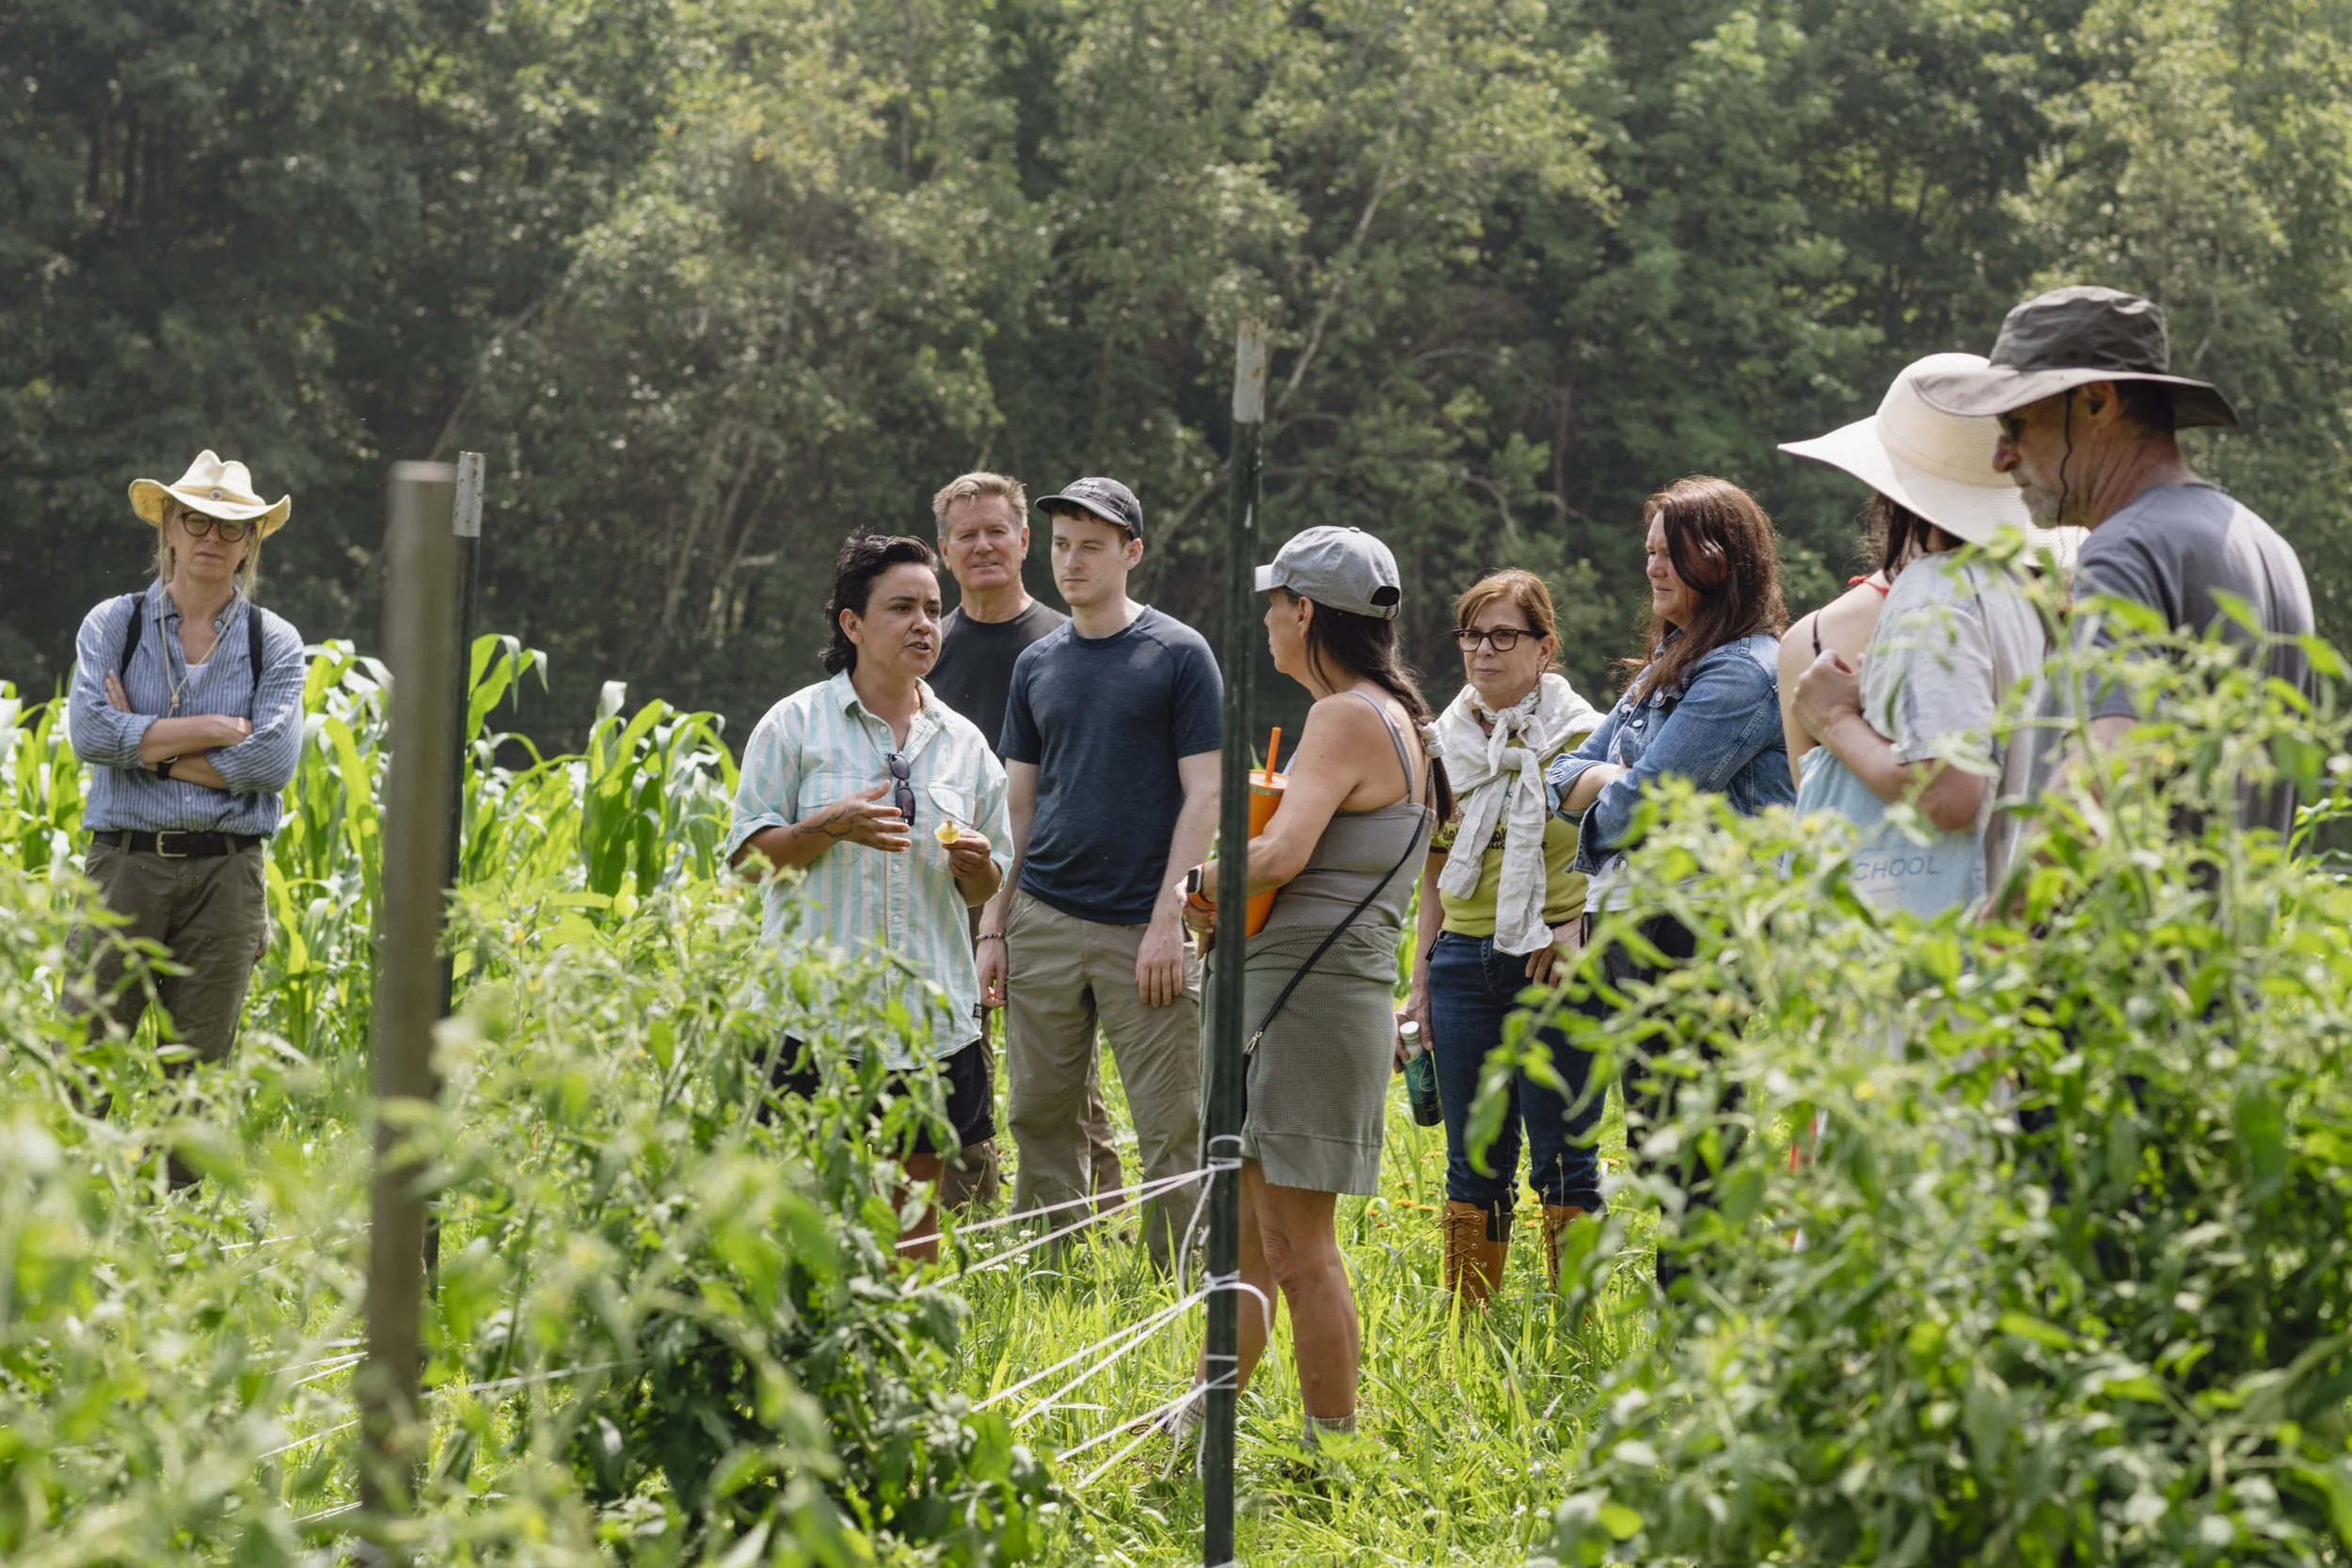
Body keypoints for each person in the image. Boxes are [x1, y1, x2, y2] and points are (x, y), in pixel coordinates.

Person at [1170, 525, 1438, 1449]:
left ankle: (1336, 1452)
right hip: (1297, 997)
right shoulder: (1394, 715)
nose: (1266, 622)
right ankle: (1209, 1430)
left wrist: (1195, 884)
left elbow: (1281, 853)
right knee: (1247, 1240)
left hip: (1310, 1005)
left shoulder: (1346, 715)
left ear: (1305, 610)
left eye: (1272, 604)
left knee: (1295, 1249)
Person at [1914, 285, 2314, 833]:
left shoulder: (2127, 547)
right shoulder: (2264, 542)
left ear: (2097, 403)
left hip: (2133, 917)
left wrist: (2007, 913)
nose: (2001, 456)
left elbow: (2105, 760)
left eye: (2016, 424)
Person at [723, 533, 1010, 1263]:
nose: (924, 624)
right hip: (808, 1020)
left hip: (929, 1023)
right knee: (794, 1224)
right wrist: (830, 824)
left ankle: (901, 1363)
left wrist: (973, 865)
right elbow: (748, 864)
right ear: (851, 624)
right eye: (902, 607)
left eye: (933, 609)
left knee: (912, 1229)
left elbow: (986, 882)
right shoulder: (793, 726)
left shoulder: (966, 744)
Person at [1546, 476, 1792, 1290]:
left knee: (1694, 1138)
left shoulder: (1741, 674)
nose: (1652, 568)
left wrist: (1609, 781)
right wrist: (1611, 779)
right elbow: (1562, 773)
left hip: (1696, 929)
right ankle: (1696, 1322)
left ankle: (1708, 1327)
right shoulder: (1667, 661)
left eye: (1670, 552)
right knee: (1660, 1131)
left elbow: (1644, 804)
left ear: (1721, 559)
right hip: (1639, 924)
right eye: (1649, 551)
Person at [979, 477, 1221, 1272]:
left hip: (1140, 928)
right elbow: (1020, 812)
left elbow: (1206, 794)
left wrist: (1166, 919)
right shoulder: (1036, 664)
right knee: (1039, 1114)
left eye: (1091, 545)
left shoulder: (1179, 654)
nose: (1072, 561)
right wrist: (997, 925)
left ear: (1132, 552)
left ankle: (1175, 1288)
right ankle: (1050, 1274)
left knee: (1169, 1124)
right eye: (1060, 545)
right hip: (1044, 918)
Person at [65, 451, 308, 1175]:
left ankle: (173, 1251)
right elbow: (90, 734)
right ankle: (54, 1240)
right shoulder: (115, 622)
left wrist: (147, 742)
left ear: (250, 541)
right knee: (84, 1057)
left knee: (197, 1079)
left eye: (231, 524)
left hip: (226, 879)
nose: (211, 535)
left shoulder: (275, 642)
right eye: (195, 518)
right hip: (124, 864)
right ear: (168, 527)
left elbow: (269, 765)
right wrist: (214, 731)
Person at [1781, 353, 2079, 915]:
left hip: (1950, 948)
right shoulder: (2046, 598)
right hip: (2040, 925)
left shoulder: (1936, 590)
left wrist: (1835, 720)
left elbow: (1949, 793)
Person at [1402, 569, 1604, 1305]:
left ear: (1545, 647)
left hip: (1555, 963)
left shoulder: (1587, 736)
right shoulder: (1440, 742)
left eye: (1503, 635)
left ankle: (1576, 1324)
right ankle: (1470, 1326)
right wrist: (1421, 978)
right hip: (1461, 964)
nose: (1483, 650)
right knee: (1473, 1160)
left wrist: (1579, 921)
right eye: (1471, 634)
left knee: (1564, 1158)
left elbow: (1622, 854)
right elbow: (1432, 873)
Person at [924, 470, 1121, 1213]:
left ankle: (1096, 1233)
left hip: (1049, 896)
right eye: (966, 534)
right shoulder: (925, 651)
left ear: (1024, 540)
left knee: (1066, 1084)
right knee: (951, 1069)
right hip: (944, 897)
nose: (983, 545)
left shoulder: (1067, 644)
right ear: (945, 551)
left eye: (996, 529)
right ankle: (968, 1229)